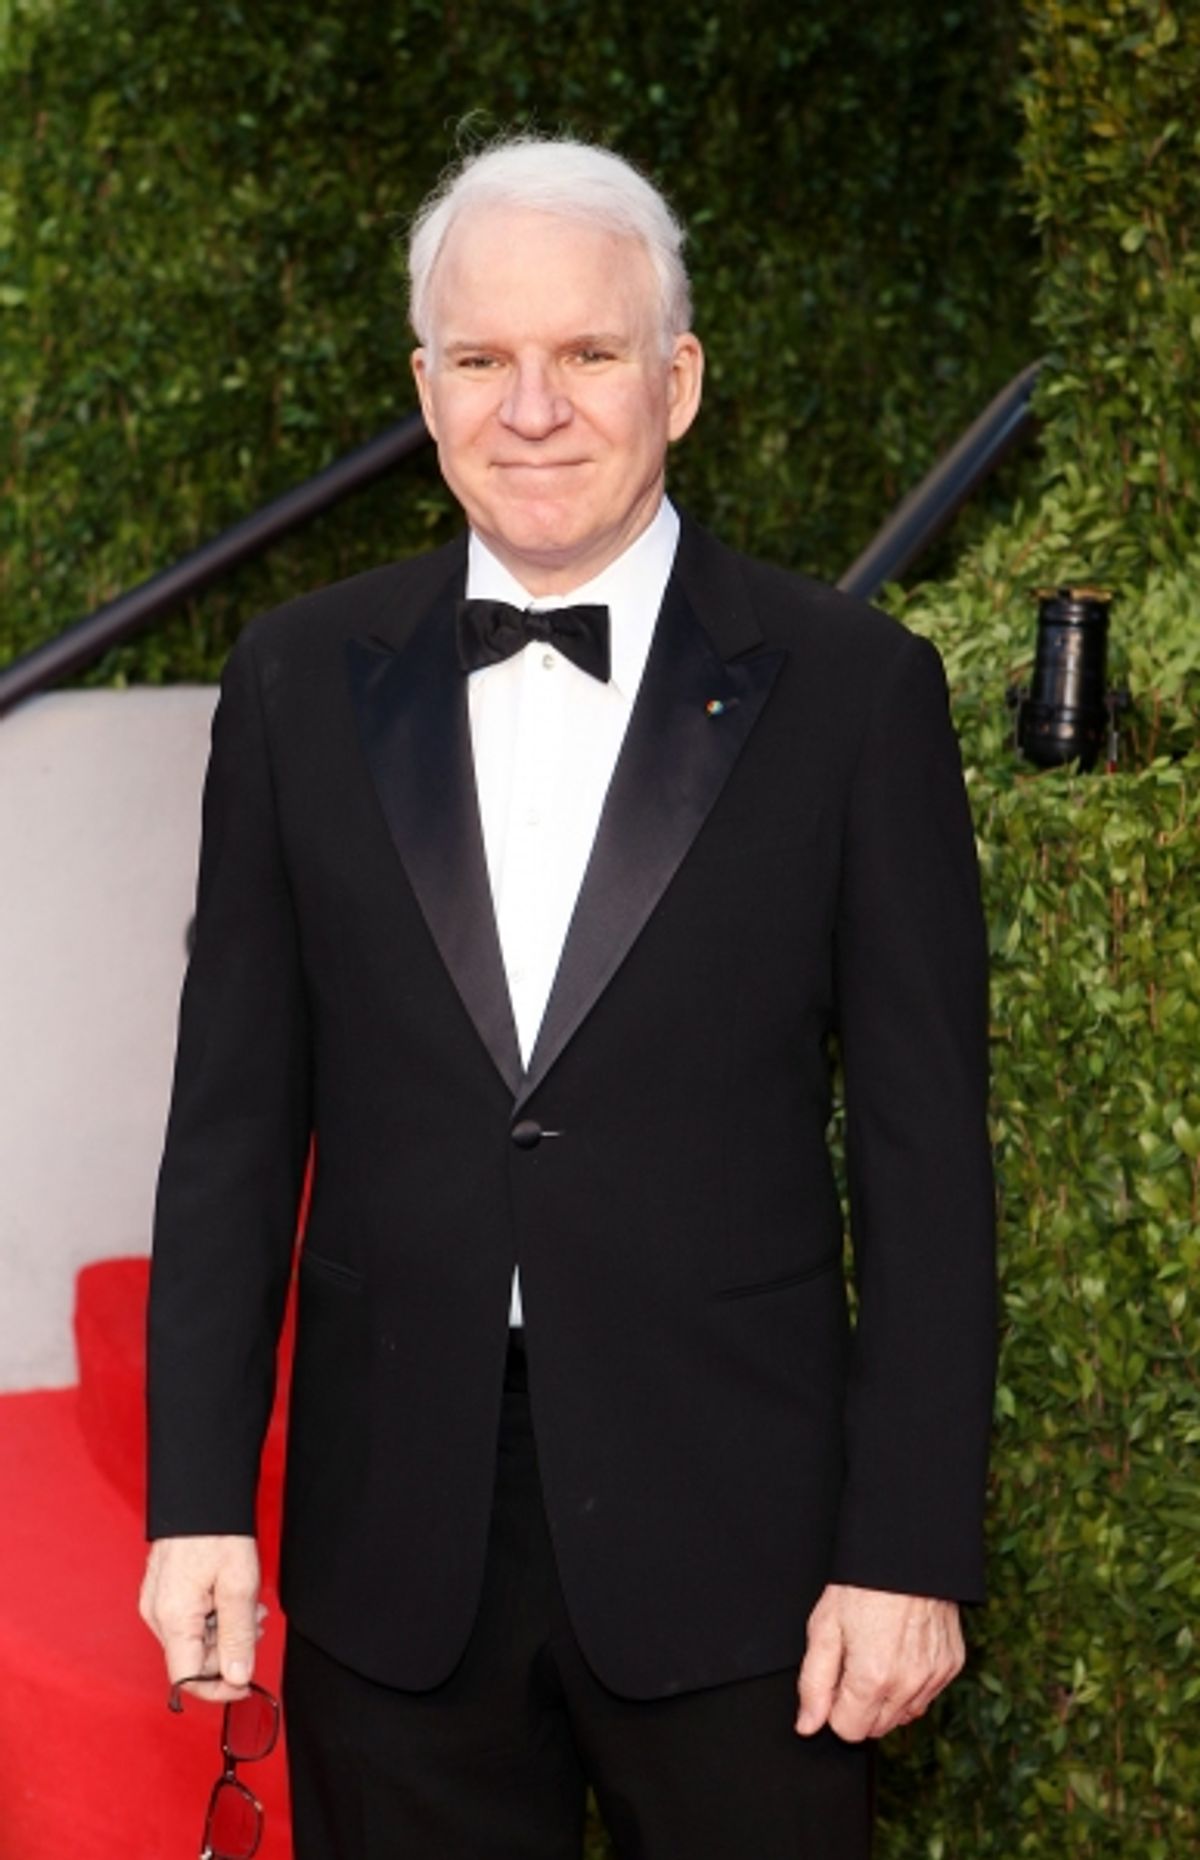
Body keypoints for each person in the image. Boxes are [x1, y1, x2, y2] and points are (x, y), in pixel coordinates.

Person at [139, 136, 996, 1859]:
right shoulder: (297, 680)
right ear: (425, 388)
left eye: (587, 354)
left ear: (676, 379)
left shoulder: (852, 692)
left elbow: (924, 1162)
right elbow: (232, 1121)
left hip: (749, 1551)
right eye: (482, 359)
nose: (534, 406)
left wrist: (907, 1547)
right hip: (393, 1545)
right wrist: (198, 1503)